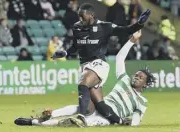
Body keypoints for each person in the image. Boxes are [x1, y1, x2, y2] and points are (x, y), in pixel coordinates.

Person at [14, 30, 156, 127]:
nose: (136, 77)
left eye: (140, 77)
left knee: (80, 123)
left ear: (145, 84)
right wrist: (132, 40)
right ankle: (47, 115)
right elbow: (119, 58)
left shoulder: (142, 101)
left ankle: (34, 123)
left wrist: (130, 123)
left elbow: (136, 120)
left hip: (109, 117)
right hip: (101, 105)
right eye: (136, 75)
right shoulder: (124, 79)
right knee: (80, 106)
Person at [51, 3, 151, 124]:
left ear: (91, 15)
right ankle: (117, 120)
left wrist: (139, 24)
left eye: (83, 16)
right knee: (97, 105)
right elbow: (76, 46)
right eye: (79, 17)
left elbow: (126, 30)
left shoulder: (105, 26)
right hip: (85, 65)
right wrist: (65, 53)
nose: (80, 19)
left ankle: (81, 117)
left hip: (99, 64)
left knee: (83, 84)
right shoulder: (77, 27)